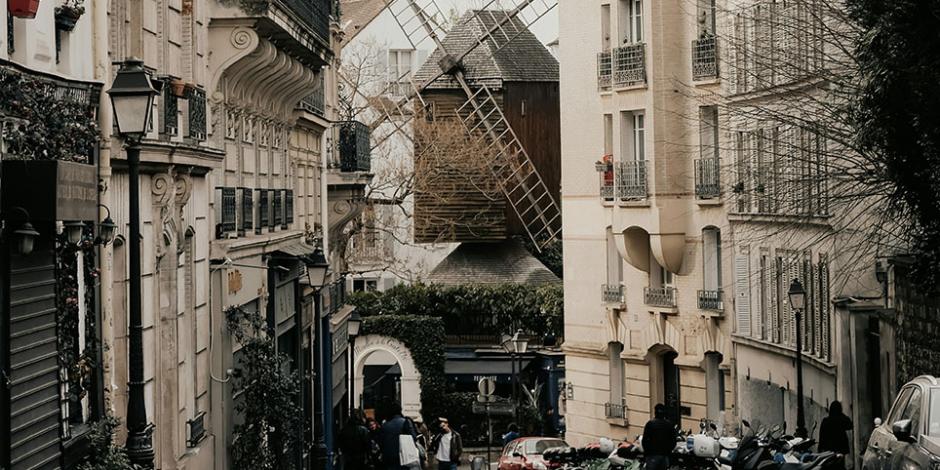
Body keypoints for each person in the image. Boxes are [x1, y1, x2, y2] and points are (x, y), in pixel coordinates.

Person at [379, 403, 419, 470]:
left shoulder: (385, 425)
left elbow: (381, 442)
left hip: (389, 457)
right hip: (404, 456)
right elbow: (414, 437)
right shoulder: (405, 422)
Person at [642, 404, 677, 470]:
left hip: (652, 456)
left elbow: (645, 441)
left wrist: (647, 454)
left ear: (655, 412)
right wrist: (668, 451)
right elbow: (673, 441)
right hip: (664, 456)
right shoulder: (669, 425)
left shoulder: (650, 424)